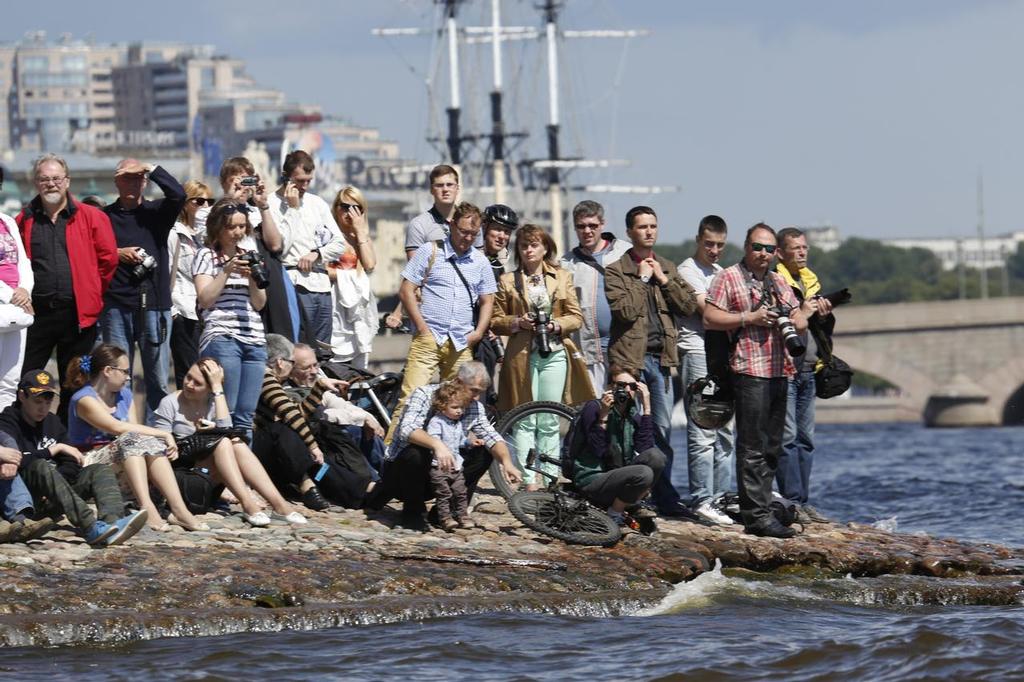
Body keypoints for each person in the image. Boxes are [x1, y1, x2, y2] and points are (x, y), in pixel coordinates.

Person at [704, 223, 807, 538]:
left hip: (779, 369)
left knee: (773, 445)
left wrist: (803, 314)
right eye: (756, 247)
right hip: (749, 369)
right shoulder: (728, 277)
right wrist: (750, 317)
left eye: (769, 249)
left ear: (776, 253)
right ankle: (756, 518)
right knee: (751, 446)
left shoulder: (778, 281)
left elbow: (798, 321)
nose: (762, 254)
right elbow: (710, 317)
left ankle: (763, 507)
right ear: (746, 247)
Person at [605, 205, 696, 517]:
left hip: (663, 361)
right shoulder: (616, 270)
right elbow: (625, 312)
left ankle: (664, 497)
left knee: (662, 432)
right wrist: (643, 280)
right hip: (631, 362)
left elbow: (688, 306)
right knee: (629, 433)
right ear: (630, 232)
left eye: (653, 226)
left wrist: (663, 280)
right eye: (642, 227)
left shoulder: (667, 266)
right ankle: (633, 496)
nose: (649, 232)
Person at [16, 154, 119, 423]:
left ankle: (67, 439)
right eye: (44, 179)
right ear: (36, 183)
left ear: (67, 181)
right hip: (36, 316)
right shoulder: (23, 220)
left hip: (78, 316)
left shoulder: (92, 217)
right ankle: (26, 436)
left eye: (56, 178)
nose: (51, 184)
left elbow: (108, 261)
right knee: (26, 378)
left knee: (75, 380)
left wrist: (91, 291)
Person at [490, 224, 594, 488]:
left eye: (534, 245)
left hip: (555, 351)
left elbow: (576, 316)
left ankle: (548, 477)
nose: (528, 250)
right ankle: (528, 479)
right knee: (524, 418)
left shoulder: (561, 277)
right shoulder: (507, 280)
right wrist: (517, 322)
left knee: (548, 419)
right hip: (521, 355)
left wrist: (555, 325)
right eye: (523, 246)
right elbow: (495, 320)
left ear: (545, 247)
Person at [65, 343, 208, 531]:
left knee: (144, 441)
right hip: (91, 462)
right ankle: (146, 506)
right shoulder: (83, 399)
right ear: (108, 371)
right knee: (131, 439)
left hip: (123, 456)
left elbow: (135, 430)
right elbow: (117, 427)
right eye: (124, 371)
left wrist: (157, 438)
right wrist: (164, 433)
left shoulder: (125, 395)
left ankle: (179, 509)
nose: (127, 376)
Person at [385, 202, 496, 443]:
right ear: (451, 225)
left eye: (473, 235)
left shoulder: (480, 262)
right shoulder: (430, 251)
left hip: (460, 341)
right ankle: (390, 457)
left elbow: (488, 300)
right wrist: (422, 327)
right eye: (463, 231)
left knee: (460, 401)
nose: (467, 238)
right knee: (410, 399)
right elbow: (406, 290)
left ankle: (449, 459)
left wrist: (478, 333)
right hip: (429, 337)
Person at [151, 358, 307, 527]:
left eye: (198, 383)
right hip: (181, 478)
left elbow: (226, 429)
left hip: (208, 477)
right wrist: (195, 437)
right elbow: (161, 448)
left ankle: (279, 505)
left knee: (236, 443)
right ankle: (248, 504)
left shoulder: (213, 402)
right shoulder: (170, 403)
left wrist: (218, 390)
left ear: (210, 388)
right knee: (224, 442)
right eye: (188, 377)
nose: (189, 384)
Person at [0, 369, 148, 546]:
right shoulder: (7, 421)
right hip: (27, 499)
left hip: (56, 496)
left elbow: (72, 460)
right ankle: (90, 527)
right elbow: (18, 461)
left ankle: (112, 524)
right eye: (37, 401)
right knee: (41, 465)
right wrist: (53, 451)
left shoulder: (52, 422)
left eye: (48, 402)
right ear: (22, 397)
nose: (43, 408)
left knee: (99, 470)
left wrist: (56, 484)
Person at [370, 361, 521, 529]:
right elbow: (408, 430)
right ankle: (412, 513)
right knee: (417, 451)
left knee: (484, 452)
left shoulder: (474, 407)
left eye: (480, 393)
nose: (476, 397)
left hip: (441, 474)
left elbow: (492, 437)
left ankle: (445, 511)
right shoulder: (425, 394)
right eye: (474, 391)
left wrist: (507, 463)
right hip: (402, 473)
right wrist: (437, 445)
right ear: (458, 381)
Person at [100, 159, 186, 418]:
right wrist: (118, 254)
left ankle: (157, 436)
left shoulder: (157, 213)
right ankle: (123, 432)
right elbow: (93, 252)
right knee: (117, 377)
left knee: (158, 380)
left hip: (154, 305)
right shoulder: (104, 217)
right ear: (116, 181)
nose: (132, 182)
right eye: (126, 178)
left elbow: (179, 194)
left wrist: (150, 166)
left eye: (138, 178)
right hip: (116, 305)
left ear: (145, 181)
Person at [253, 334, 373, 511]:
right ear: (280, 362)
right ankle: (310, 487)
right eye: (292, 362)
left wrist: (319, 388)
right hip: (256, 450)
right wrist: (312, 446)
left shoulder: (271, 379)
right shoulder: (265, 377)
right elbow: (292, 414)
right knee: (286, 429)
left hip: (272, 452)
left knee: (308, 432)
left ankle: (358, 489)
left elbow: (298, 413)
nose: (292, 367)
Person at [192, 199, 268, 440]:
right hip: (222, 336)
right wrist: (226, 271)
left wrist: (254, 278)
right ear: (218, 228)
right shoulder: (206, 255)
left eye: (242, 226)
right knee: (226, 409)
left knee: (246, 415)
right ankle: (224, 473)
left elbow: (259, 303)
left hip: (254, 338)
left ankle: (244, 474)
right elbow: (205, 299)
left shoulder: (250, 255)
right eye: (232, 227)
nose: (238, 233)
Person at [677, 215, 736, 526]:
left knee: (725, 430)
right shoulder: (688, 270)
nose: (714, 250)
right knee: (702, 429)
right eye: (710, 244)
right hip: (697, 351)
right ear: (699, 240)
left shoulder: (721, 272)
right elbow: (710, 313)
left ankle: (722, 497)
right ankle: (702, 498)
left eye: (720, 246)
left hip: (722, 354)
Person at [775, 227, 834, 524]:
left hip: (809, 368)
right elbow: (790, 319)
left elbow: (812, 324)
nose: (802, 252)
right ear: (780, 252)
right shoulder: (776, 280)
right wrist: (805, 310)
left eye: (804, 248)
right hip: (784, 369)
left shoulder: (810, 279)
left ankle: (804, 501)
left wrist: (823, 312)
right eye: (795, 248)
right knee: (786, 438)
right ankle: (791, 501)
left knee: (806, 439)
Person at [268, 150, 348, 349]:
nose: (304, 186)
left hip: (321, 284)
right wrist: (293, 209)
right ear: (286, 177)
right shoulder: (270, 204)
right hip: (295, 282)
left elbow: (339, 244)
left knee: (322, 350)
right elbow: (281, 248)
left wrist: (317, 253)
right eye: (299, 180)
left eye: (308, 181)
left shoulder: (317, 203)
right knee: (299, 347)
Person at [567, 366, 665, 527]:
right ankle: (614, 514)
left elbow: (646, 447)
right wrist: (604, 416)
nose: (626, 390)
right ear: (610, 387)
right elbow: (597, 450)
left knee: (657, 457)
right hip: (592, 479)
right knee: (643, 473)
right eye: (621, 385)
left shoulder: (632, 413)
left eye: (632, 386)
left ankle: (631, 503)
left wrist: (647, 408)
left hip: (617, 477)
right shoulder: (594, 408)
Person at [385, 164, 472, 330]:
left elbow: (478, 264)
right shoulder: (419, 225)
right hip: (431, 312)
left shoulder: (471, 222)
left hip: (465, 309)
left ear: (457, 188)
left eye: (449, 185)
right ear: (432, 190)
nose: (445, 190)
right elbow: (416, 272)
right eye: (439, 185)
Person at [218, 156, 294, 341]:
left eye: (246, 180)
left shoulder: (257, 212)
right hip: (234, 288)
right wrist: (231, 200)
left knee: (278, 344)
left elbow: (275, 245)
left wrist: (263, 205)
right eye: (235, 181)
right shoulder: (215, 212)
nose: (242, 187)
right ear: (224, 183)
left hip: (264, 283)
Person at [561, 200, 631, 396]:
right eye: (581, 226)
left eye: (593, 225)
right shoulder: (567, 263)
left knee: (629, 405)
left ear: (602, 224)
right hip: (589, 346)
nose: (587, 231)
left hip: (624, 343)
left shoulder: (625, 252)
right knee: (596, 405)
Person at [288, 343, 385, 480]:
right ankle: (373, 481)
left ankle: (392, 475)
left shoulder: (312, 385)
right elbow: (319, 418)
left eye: (315, 365)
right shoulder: (288, 392)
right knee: (351, 430)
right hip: (312, 445)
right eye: (306, 368)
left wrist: (368, 418)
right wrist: (361, 418)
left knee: (367, 428)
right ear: (291, 370)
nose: (314, 371)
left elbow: (341, 405)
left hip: (328, 438)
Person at [168, 180, 214, 388]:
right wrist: (173, 312)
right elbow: (167, 273)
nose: (205, 206)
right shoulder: (174, 233)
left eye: (209, 201)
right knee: (189, 373)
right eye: (199, 201)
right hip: (185, 311)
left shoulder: (212, 237)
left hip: (209, 313)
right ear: (186, 203)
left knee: (210, 373)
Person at [327, 185, 377, 369]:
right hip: (333, 303)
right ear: (336, 208)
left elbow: (370, 264)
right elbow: (321, 270)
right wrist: (345, 277)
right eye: (345, 207)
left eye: (357, 208)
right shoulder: (328, 235)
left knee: (357, 368)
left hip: (357, 308)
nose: (350, 213)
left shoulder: (361, 237)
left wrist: (360, 232)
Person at [474, 203, 519, 402]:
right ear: (484, 227)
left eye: (507, 232)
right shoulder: (471, 258)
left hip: (486, 342)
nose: (502, 236)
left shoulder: (496, 265)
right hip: (468, 338)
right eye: (498, 229)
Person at [425, 382, 473, 531]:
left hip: (456, 466)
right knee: (443, 494)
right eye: (455, 407)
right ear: (442, 406)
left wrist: (470, 442)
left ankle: (463, 516)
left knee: (460, 492)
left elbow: (459, 441)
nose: (459, 411)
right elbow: (434, 439)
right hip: (439, 466)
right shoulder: (436, 422)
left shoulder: (456, 423)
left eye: (461, 408)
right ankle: (445, 519)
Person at [0, 207, 34, 409]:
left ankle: (4, 432)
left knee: (10, 380)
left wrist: (25, 290)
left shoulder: (6, 221)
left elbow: (23, 261)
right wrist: (12, 295)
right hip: (10, 300)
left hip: (17, 307)